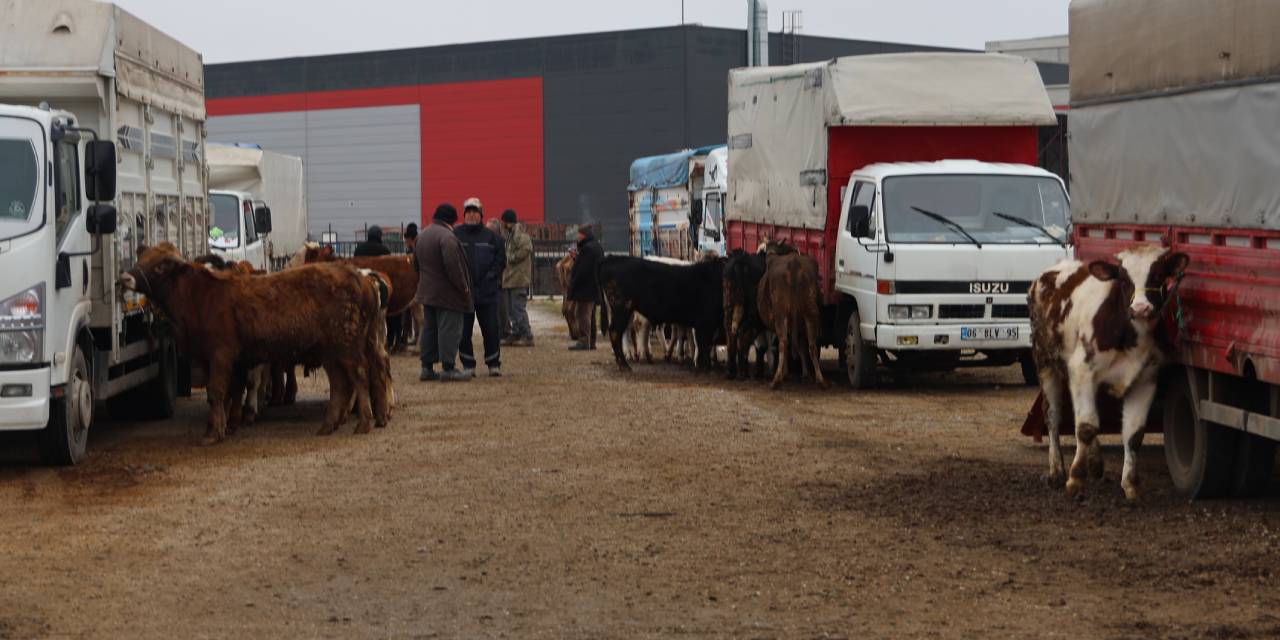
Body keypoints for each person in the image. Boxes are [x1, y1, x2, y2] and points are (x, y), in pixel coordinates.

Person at [415, 204, 473, 382]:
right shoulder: (447, 237)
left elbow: (416, 265)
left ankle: (427, 368)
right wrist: (463, 288)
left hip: (428, 292)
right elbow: (453, 267)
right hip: (448, 294)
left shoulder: (422, 235)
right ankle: (449, 368)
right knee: (449, 329)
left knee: (430, 330)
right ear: (452, 220)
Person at [454, 197, 506, 377]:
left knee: (491, 329)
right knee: (463, 332)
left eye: (474, 211)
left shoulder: (492, 237)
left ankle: (493, 364)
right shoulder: (455, 235)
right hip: (463, 293)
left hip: (487, 292)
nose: (471, 214)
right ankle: (468, 365)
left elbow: (500, 260)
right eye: (468, 211)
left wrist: (491, 276)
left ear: (481, 214)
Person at [500, 209, 534, 346]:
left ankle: (527, 335)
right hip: (511, 278)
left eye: (504, 222)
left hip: (519, 279)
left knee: (518, 308)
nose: (502, 224)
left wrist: (511, 258)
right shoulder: (510, 235)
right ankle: (516, 332)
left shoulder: (521, 236)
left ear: (508, 222)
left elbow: (526, 249)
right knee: (511, 309)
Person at [568, 224, 603, 350]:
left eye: (579, 234)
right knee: (590, 315)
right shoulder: (596, 246)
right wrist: (578, 258)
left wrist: (574, 282)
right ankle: (591, 341)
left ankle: (584, 341)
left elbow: (583, 270)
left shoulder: (587, 249)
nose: (577, 236)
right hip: (594, 286)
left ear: (583, 235)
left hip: (586, 288)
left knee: (582, 314)